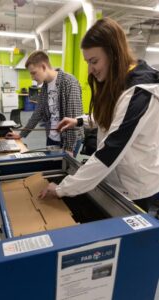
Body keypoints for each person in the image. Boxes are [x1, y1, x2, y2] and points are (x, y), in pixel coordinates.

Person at [39, 17, 159, 217]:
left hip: (135, 187)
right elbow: (112, 116)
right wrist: (79, 121)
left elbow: (110, 150)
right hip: (115, 179)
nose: (90, 70)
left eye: (94, 61)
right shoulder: (120, 80)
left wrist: (62, 189)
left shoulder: (141, 91)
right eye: (88, 62)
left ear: (114, 54)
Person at [5, 50, 83, 157]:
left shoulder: (69, 82)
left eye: (33, 73)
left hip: (69, 139)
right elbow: (38, 113)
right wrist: (21, 134)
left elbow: (74, 117)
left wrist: (69, 147)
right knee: (50, 166)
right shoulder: (45, 86)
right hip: (52, 137)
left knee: (64, 171)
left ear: (43, 66)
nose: (32, 77)